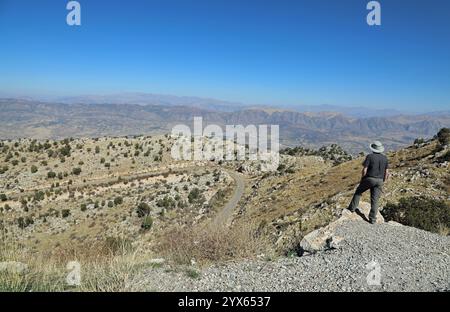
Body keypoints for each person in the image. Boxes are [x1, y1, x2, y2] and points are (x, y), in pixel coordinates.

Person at [348, 141, 389, 224]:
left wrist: (363, 178)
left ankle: (351, 209)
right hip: (380, 180)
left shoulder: (370, 156)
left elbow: (365, 169)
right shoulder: (385, 158)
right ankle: (372, 219)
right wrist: (383, 181)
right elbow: (387, 173)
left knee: (358, 192)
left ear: (373, 149)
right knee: (375, 200)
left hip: (370, 178)